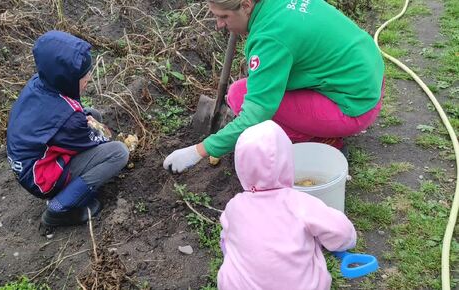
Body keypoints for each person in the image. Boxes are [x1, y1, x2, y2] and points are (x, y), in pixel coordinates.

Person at [163, 0, 385, 173]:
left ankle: (323, 142)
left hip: (353, 106)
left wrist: (198, 151)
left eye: (224, 16)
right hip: (366, 78)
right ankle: (318, 128)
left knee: (241, 96)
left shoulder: (271, 38)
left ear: (247, 5)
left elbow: (255, 114)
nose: (219, 24)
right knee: (250, 89)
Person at [6, 30, 129, 227]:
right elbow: (95, 137)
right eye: (84, 75)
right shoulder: (69, 119)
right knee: (118, 153)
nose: (89, 78)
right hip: (41, 177)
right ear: (68, 78)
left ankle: (67, 188)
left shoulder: (40, 82)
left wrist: (89, 123)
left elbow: (74, 124)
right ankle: (59, 209)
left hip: (29, 163)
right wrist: (108, 135)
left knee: (92, 114)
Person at [218, 120, 357, 290]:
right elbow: (341, 231)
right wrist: (345, 242)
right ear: (287, 162)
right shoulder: (300, 203)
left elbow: (225, 239)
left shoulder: (234, 207)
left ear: (241, 165)